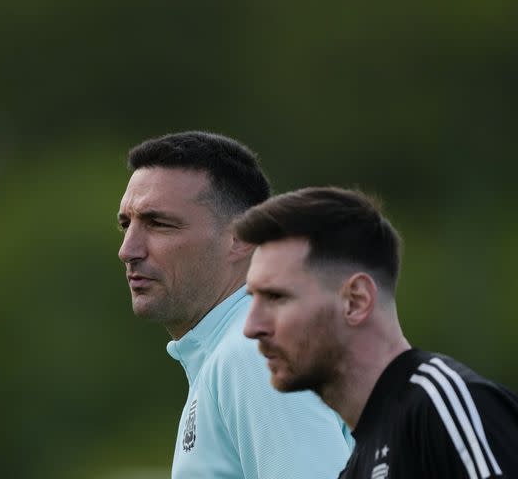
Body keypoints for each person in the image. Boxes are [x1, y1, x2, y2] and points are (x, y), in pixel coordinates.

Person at [234, 186, 518, 478]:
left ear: (355, 301)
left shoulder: (441, 405)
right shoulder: (357, 468)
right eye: (252, 298)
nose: (251, 327)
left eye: (276, 297)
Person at [116, 131, 353, 478]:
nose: (128, 249)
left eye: (159, 224)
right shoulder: (235, 353)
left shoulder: (254, 354)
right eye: (126, 224)